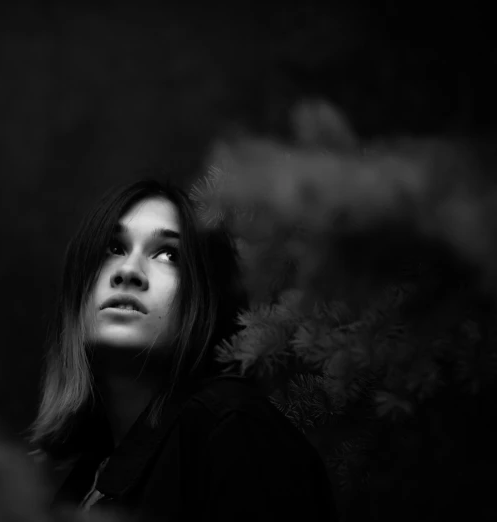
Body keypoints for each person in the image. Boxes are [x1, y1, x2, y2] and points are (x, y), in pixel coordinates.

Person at [26, 178, 337, 521]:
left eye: (168, 254)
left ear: (205, 295)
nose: (129, 272)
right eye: (114, 248)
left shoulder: (234, 430)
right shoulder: (84, 478)